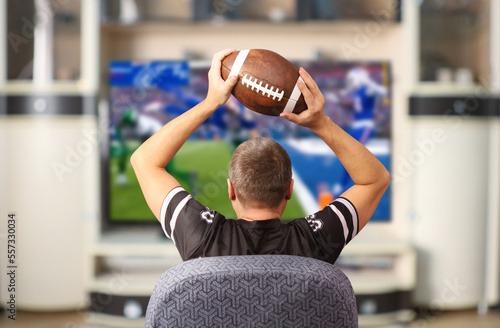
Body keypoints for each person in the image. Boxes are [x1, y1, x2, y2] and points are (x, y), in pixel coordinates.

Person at [130, 49, 390, 264]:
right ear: (289, 189)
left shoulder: (202, 236)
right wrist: (321, 123)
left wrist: (210, 102)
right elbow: (375, 179)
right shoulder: (315, 241)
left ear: (231, 189)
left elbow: (144, 161)